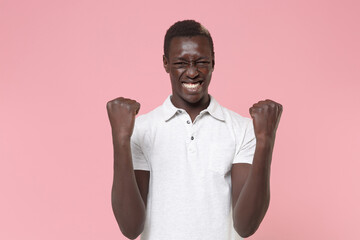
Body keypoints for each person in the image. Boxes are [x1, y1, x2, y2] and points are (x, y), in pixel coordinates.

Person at [106, 20, 283, 240]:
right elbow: (130, 228)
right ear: (166, 63)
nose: (192, 73)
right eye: (181, 63)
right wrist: (121, 140)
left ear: (213, 62)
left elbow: (246, 226)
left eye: (201, 62)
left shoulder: (242, 129)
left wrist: (265, 141)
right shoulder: (141, 129)